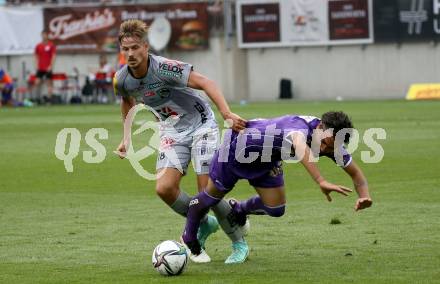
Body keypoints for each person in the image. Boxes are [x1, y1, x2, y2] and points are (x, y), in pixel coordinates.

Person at [113, 19, 249, 264]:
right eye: (126, 49)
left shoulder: (165, 68)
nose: (131, 53)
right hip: (172, 131)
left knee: (207, 191)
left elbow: (207, 83)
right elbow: (126, 100)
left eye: (135, 47)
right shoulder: (122, 79)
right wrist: (126, 138)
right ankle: (204, 223)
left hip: (201, 125)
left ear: (145, 47)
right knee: (164, 189)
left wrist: (227, 114)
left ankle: (239, 242)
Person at [182, 111, 373, 258]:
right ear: (321, 126)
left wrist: (364, 195)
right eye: (325, 143)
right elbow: (300, 146)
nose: (324, 149)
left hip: (267, 159)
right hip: (237, 150)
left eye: (331, 148)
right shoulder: (299, 128)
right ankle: (189, 238)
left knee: (276, 209)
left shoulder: (332, 142)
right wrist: (321, 181)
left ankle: (239, 209)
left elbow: (356, 174)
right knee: (209, 198)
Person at [34, 30, 56, 103]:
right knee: (37, 82)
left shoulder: (51, 45)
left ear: (47, 35)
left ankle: (49, 99)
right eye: (43, 35)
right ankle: (38, 98)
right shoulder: (38, 46)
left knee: (49, 83)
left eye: (45, 35)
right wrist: (36, 65)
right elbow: (36, 56)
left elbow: (53, 56)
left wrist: (51, 66)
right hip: (40, 68)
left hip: (48, 68)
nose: (44, 36)